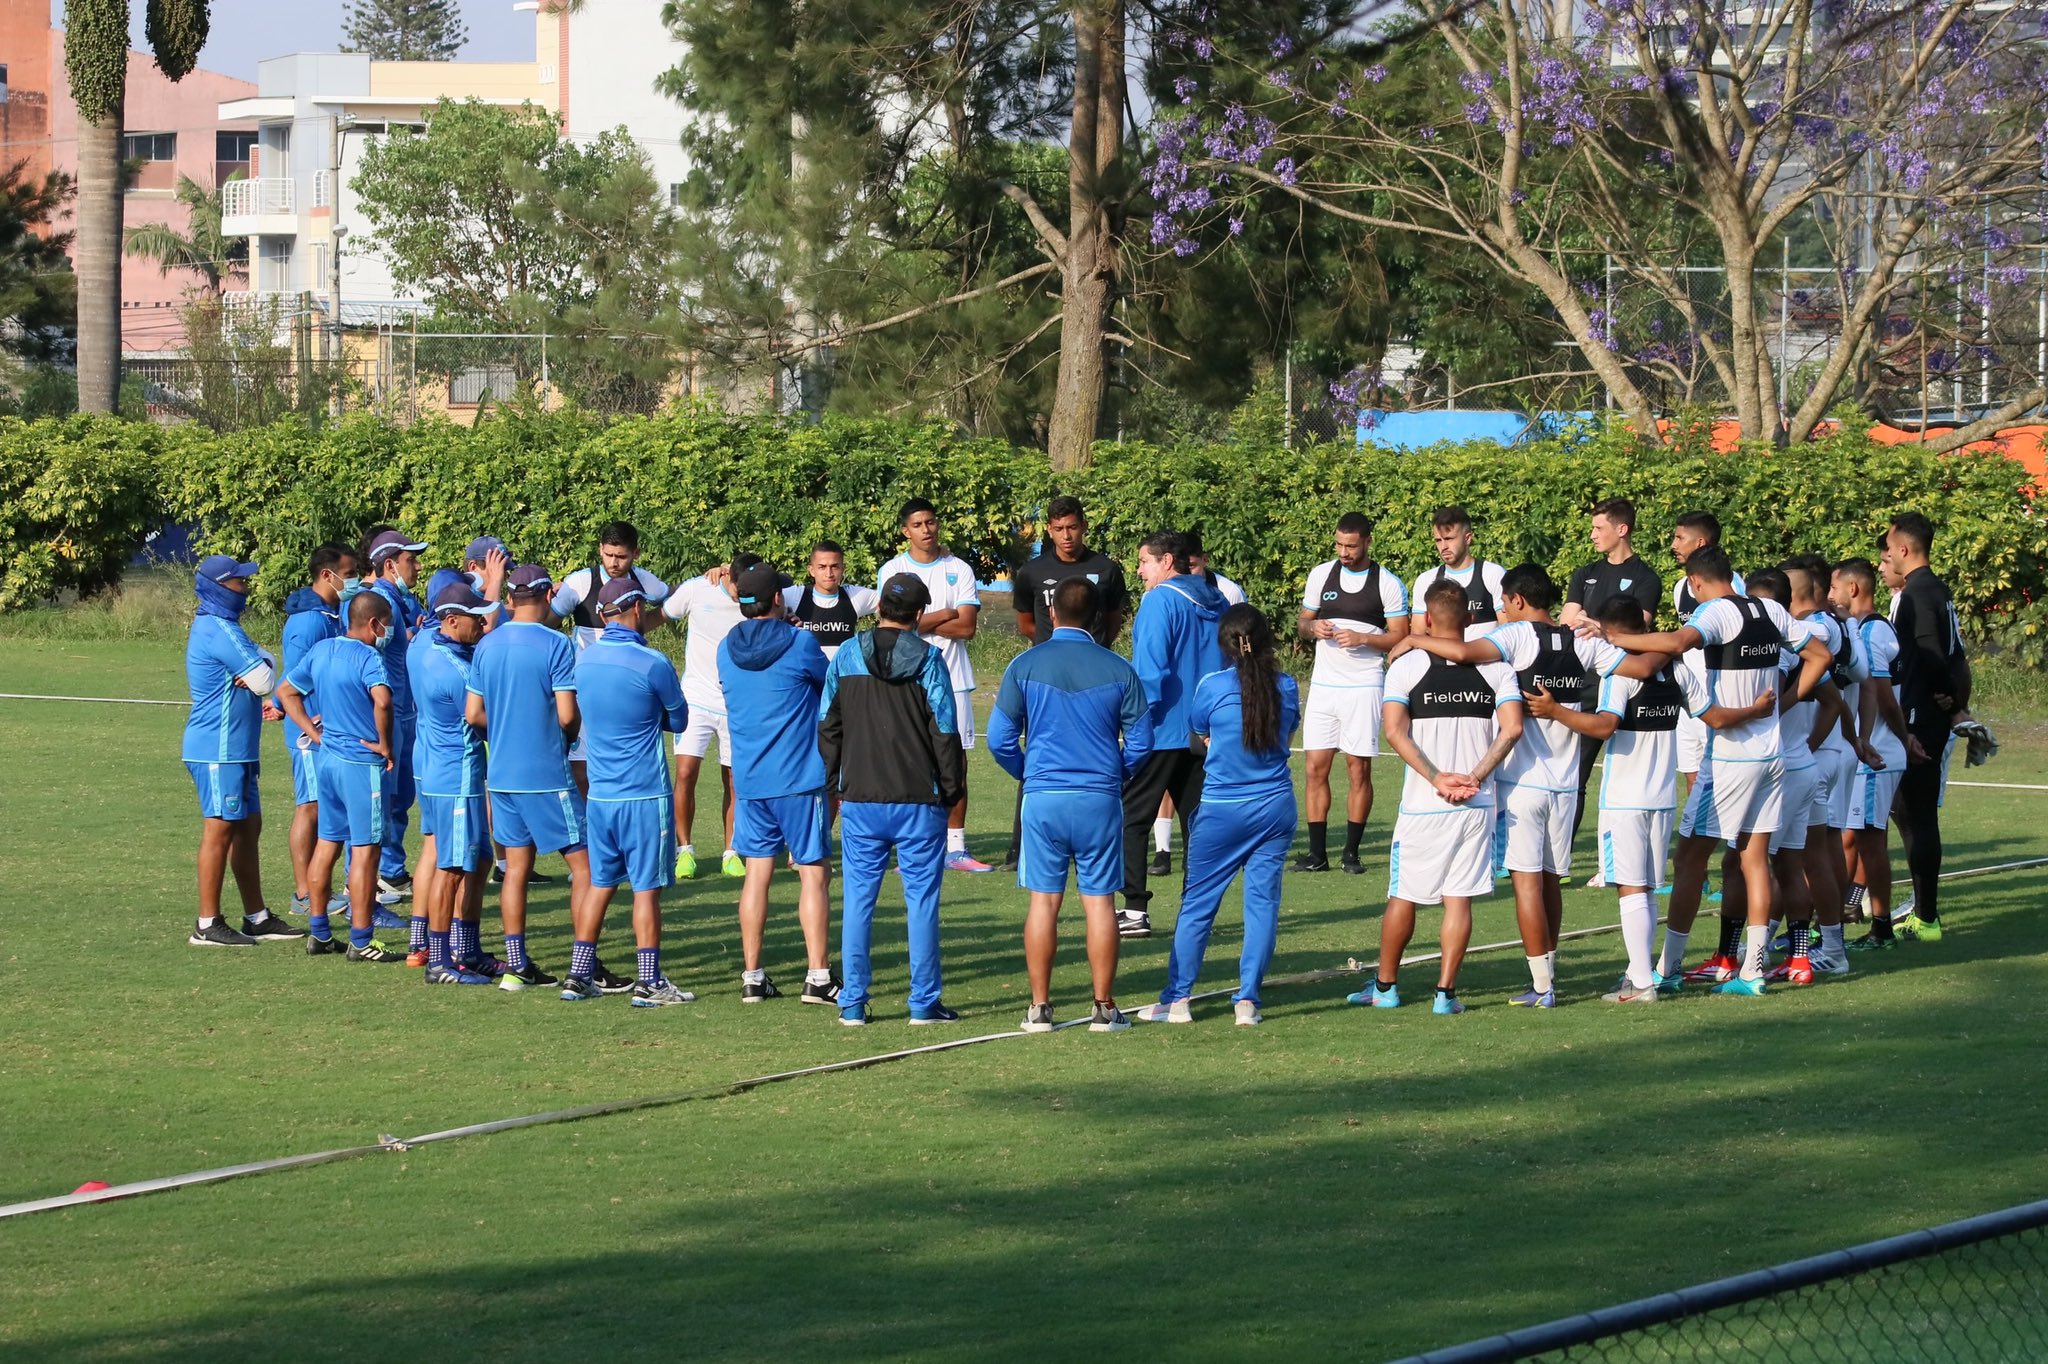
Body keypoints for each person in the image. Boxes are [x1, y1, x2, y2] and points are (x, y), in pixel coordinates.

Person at [1391, 564, 1660, 1005]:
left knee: (1527, 884)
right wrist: (1630, 639)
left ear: (1517, 600)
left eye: (1502, 602)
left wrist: (1415, 638)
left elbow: (1462, 652)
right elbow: (1643, 668)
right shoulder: (1582, 641)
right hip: (1567, 784)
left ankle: (1541, 986)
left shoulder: (1517, 636)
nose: (1500, 609)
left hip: (1522, 783)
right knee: (1552, 881)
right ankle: (1547, 973)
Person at [1590, 545, 1832, 996]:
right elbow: (1819, 657)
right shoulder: (1769, 611)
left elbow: (1680, 642)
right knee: (1754, 860)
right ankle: (1752, 972)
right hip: (1772, 756)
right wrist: (1782, 705)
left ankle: (1668, 968)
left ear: (1698, 582)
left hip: (1730, 759)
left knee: (1688, 859)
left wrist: (1617, 640)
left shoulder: (1719, 612)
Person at [1350, 579, 1524, 1014]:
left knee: (1404, 895)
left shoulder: (1406, 666)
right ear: (1469, 620)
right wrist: (1475, 777)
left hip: (1424, 804)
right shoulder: (1497, 668)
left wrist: (1436, 778)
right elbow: (1514, 728)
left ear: (1426, 620)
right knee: (1458, 899)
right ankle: (1445, 995)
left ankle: (1386, 988)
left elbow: (1393, 730)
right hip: (1477, 803)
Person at [990, 577, 1154, 1034]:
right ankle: (1103, 1008)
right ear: (1099, 618)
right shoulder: (1119, 669)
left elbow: (1000, 739)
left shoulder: (1024, 665)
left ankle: (1040, 1008)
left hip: (1043, 798)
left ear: (1052, 613)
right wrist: (1118, 772)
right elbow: (1142, 741)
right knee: (1100, 903)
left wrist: (1029, 772)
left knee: (1044, 902)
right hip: (1099, 798)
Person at [1137, 604, 1299, 1027]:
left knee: (1198, 905)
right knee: (1262, 905)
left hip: (1223, 808)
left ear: (1224, 645)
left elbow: (1198, 733)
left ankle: (1178, 999)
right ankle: (1247, 1000)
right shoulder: (1287, 686)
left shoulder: (1212, 685)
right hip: (1275, 807)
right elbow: (1285, 732)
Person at [821, 574, 970, 1026]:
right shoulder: (929, 660)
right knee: (921, 902)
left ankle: (852, 1003)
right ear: (920, 615)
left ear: (880, 606)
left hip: (862, 799)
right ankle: (923, 1003)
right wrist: (951, 790)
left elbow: (829, 724)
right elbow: (945, 731)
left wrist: (835, 786)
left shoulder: (847, 654)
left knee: (858, 902)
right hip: (918, 799)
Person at [1541, 597, 1705, 1002]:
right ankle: (1638, 973)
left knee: (1630, 889)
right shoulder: (1677, 670)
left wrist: (1555, 711)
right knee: (1645, 888)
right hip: (1663, 797)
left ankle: (1642, 987)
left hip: (1625, 799)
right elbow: (1710, 712)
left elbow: (1604, 726)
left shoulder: (1620, 676)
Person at [468, 565, 609, 991]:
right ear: (549, 596)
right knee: (586, 867)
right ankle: (584, 963)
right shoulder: (556, 643)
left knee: (515, 869)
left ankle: (516, 965)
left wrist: (508, 726)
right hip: (546, 774)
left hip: (502, 775)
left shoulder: (487, 644)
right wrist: (562, 734)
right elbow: (567, 713)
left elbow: (474, 714)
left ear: (510, 598)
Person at [562, 575, 696, 1006]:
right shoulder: (653, 663)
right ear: (637, 608)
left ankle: (578, 974)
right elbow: (679, 721)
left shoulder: (582, 662)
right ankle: (650, 981)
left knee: (600, 884)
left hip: (600, 796)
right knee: (645, 890)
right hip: (643, 796)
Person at [718, 564, 838, 1004]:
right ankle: (819, 977)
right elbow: (829, 686)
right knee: (813, 873)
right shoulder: (801, 642)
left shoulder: (725, 648)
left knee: (757, 875)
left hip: (749, 780)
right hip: (799, 777)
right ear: (775, 600)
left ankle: (753, 976)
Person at [274, 591, 402, 961]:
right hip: (361, 765)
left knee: (328, 843)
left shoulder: (322, 650)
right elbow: (383, 700)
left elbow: (286, 691)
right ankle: (362, 941)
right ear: (375, 623)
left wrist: (314, 735)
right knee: (366, 851)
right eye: (388, 625)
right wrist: (384, 744)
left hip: (327, 760)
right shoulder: (369, 657)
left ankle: (320, 932)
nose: (389, 632)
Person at [1005, 496, 1130, 870]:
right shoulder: (1032, 571)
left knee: (1097, 744)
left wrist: (1096, 652)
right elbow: (1026, 621)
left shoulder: (1105, 569)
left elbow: (1112, 620)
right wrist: (1046, 653)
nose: (1066, 535)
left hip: (1094, 675)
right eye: (1058, 529)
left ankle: (1094, 835)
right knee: (1039, 748)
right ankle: (1019, 846)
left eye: (1072, 527)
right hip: (1047, 675)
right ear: (1049, 530)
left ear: (1084, 526)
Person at [182, 553, 295, 948]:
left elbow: (264, 667)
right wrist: (260, 665)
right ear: (220, 588)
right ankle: (207, 923)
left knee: (248, 827)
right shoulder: (219, 629)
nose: (246, 589)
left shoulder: (227, 627)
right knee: (220, 829)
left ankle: (257, 917)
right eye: (239, 583)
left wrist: (260, 664)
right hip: (218, 747)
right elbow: (265, 678)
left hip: (238, 747)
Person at [1742, 567, 1848, 987]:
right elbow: (1834, 700)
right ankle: (1816, 955)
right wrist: (1811, 743)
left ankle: (1758, 953)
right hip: (1802, 761)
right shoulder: (1797, 645)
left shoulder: (1771, 648)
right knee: (1809, 858)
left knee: (1759, 861)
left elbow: (1832, 700)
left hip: (1781, 766)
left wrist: (1780, 708)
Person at [877, 498, 992, 871]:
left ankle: (956, 847)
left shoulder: (958, 568)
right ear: (905, 531)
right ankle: (915, 846)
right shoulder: (892, 570)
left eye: (931, 521)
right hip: (906, 680)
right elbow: (890, 622)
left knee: (955, 763)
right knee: (910, 761)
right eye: (918, 524)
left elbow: (968, 627)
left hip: (953, 680)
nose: (926, 529)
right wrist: (944, 612)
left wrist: (918, 619)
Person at [1121, 531, 1227, 936]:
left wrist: (1133, 722)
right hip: (1204, 732)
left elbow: (1151, 670)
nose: (1140, 571)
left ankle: (1134, 911)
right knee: (1197, 820)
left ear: (1167, 561)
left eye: (1144, 561)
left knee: (1132, 815)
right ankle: (1195, 910)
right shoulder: (1217, 600)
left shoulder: (1160, 600)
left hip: (1162, 728)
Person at [1296, 512, 1411, 875]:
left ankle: (1351, 852)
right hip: (1324, 687)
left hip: (1364, 686)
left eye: (1351, 545)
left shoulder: (1387, 583)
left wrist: (1364, 638)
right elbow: (1301, 624)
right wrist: (1313, 627)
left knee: (1358, 768)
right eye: (1339, 544)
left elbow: (1401, 636)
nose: (1343, 552)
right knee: (1315, 768)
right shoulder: (1321, 574)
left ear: (1367, 542)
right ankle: (1317, 855)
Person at [1559, 498, 1664, 854]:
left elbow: (1638, 629)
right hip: (1585, 685)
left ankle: (1639, 853)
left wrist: (1596, 626)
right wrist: (1593, 626)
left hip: (1626, 683)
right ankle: (1560, 857)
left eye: (1598, 528)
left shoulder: (1647, 578)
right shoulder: (1585, 573)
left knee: (1633, 776)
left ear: (1622, 530)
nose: (1592, 535)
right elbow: (1567, 622)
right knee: (1574, 773)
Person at [408, 581, 500, 985]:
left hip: (435, 768)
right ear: (451, 621)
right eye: (474, 619)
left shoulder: (424, 644)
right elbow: (482, 719)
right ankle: (441, 960)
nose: (482, 625)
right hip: (455, 777)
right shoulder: (458, 670)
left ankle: (468, 948)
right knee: (451, 867)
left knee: (479, 860)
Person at [1882, 512, 1967, 943]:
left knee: (1916, 816)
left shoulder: (1918, 593)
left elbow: (1932, 654)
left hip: (1918, 718)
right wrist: (1953, 699)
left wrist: (1942, 698)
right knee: (1910, 813)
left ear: (1903, 549)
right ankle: (1923, 912)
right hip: (1925, 714)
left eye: (1890, 547)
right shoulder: (1936, 588)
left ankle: (1926, 916)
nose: (1888, 556)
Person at [550, 522, 670, 798]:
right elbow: (547, 623)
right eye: (609, 555)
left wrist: (716, 577)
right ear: (600, 550)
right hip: (585, 689)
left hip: (628, 688)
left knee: (628, 766)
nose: (614, 563)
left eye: (622, 556)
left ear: (636, 553)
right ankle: (591, 834)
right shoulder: (580, 582)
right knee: (580, 769)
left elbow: (674, 601)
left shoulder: (646, 582)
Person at [1831, 557, 1911, 950]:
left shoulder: (1873, 631)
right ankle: (1837, 916)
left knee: (1869, 840)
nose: (1830, 596)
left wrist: (1902, 737)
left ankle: (1881, 927)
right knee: (1851, 838)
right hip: (1873, 752)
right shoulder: (1859, 629)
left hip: (1876, 755)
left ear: (1853, 589)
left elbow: (1881, 693)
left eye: (1833, 588)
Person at [662, 552, 757, 879]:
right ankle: (684, 850)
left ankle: (731, 852)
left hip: (737, 704)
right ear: (727, 573)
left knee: (733, 780)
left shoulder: (754, 598)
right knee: (686, 773)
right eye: (737, 586)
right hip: (696, 699)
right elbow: (662, 610)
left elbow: (790, 587)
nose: (739, 595)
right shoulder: (697, 589)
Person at [1154, 528, 1240, 873]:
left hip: (1197, 718)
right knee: (1176, 791)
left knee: (1197, 799)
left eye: (1194, 564)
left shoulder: (1225, 593)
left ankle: (1135, 904)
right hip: (1187, 717)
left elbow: (1238, 644)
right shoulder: (1171, 596)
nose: (1190, 571)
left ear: (1202, 560)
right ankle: (1163, 850)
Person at [280, 544, 353, 924]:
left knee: (325, 808)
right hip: (310, 735)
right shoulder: (308, 622)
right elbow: (293, 681)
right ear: (328, 575)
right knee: (309, 808)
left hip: (330, 733)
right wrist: (312, 722)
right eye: (349, 572)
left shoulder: (331, 613)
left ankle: (319, 889)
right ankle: (305, 894)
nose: (352, 580)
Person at [362, 528, 429, 905]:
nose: (417, 567)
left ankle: (390, 872)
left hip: (404, 710)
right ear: (390, 565)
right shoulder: (379, 599)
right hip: (390, 712)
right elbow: (373, 645)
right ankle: (382, 876)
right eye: (410, 560)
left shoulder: (400, 597)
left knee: (400, 798)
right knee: (387, 800)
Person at [1409, 505, 1506, 637]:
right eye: (1438, 540)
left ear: (1468, 538)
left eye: (1449, 539)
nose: (1443, 547)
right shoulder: (1425, 580)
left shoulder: (1493, 574)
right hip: (1442, 658)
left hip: (1486, 657)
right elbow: (1418, 636)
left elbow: (1508, 631)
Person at [783, 540, 880, 661]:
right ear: (811, 570)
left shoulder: (854, 596)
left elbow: (895, 601)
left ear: (843, 569)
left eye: (834, 567)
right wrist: (782, 623)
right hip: (806, 676)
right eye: (822, 567)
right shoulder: (796, 595)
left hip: (841, 676)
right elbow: (760, 605)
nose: (829, 574)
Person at [1186, 529, 1248, 606]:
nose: (1185, 572)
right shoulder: (1168, 593)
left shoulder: (1229, 593)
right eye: (1179, 566)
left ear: (1205, 560)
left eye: (1191, 566)